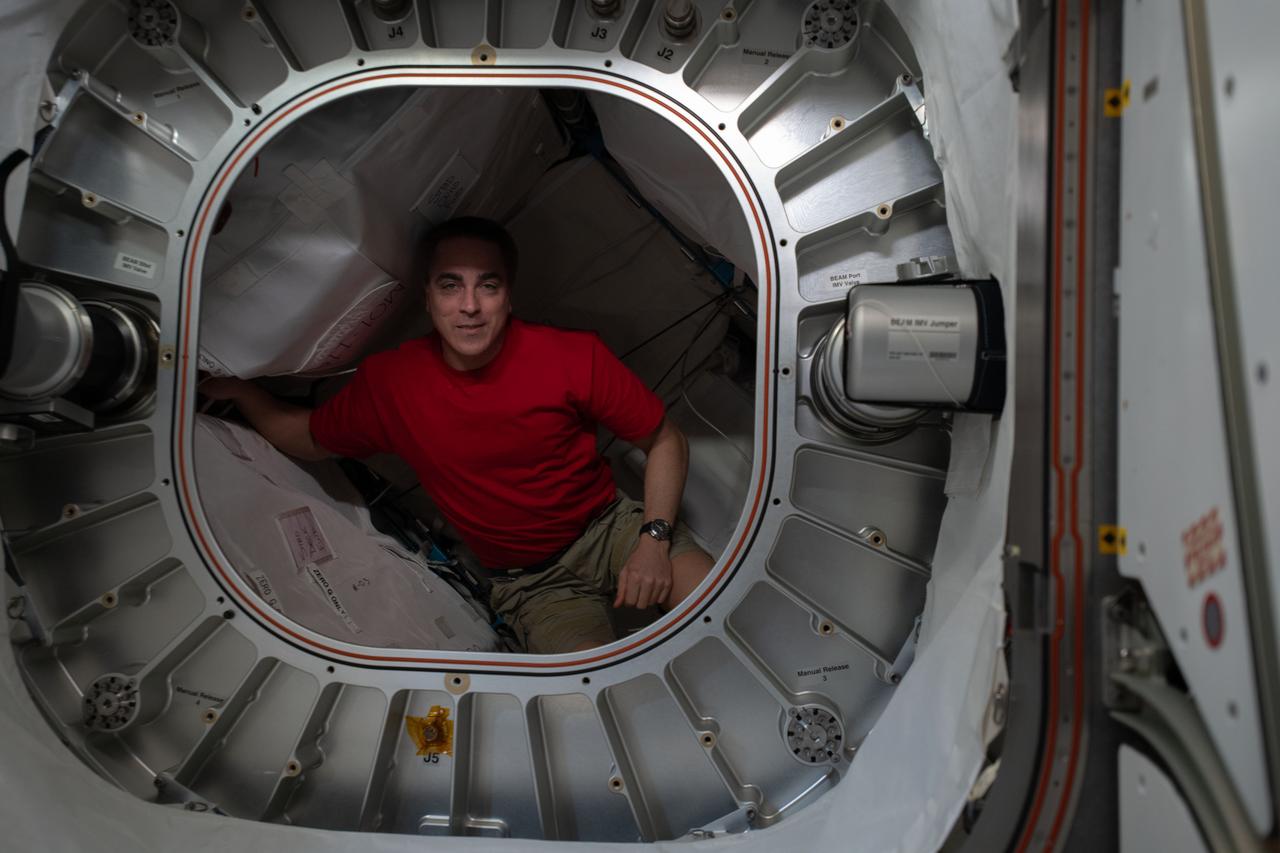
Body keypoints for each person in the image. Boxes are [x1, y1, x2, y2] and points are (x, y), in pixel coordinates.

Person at [201, 217, 714, 654]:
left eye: (487, 285)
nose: (469, 305)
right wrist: (246, 395)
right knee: (598, 703)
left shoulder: (572, 357)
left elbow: (666, 440)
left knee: (718, 610)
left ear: (507, 296)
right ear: (428, 298)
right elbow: (310, 437)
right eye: (450, 285)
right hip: (533, 583)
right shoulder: (392, 384)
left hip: (612, 531)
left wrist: (653, 540)